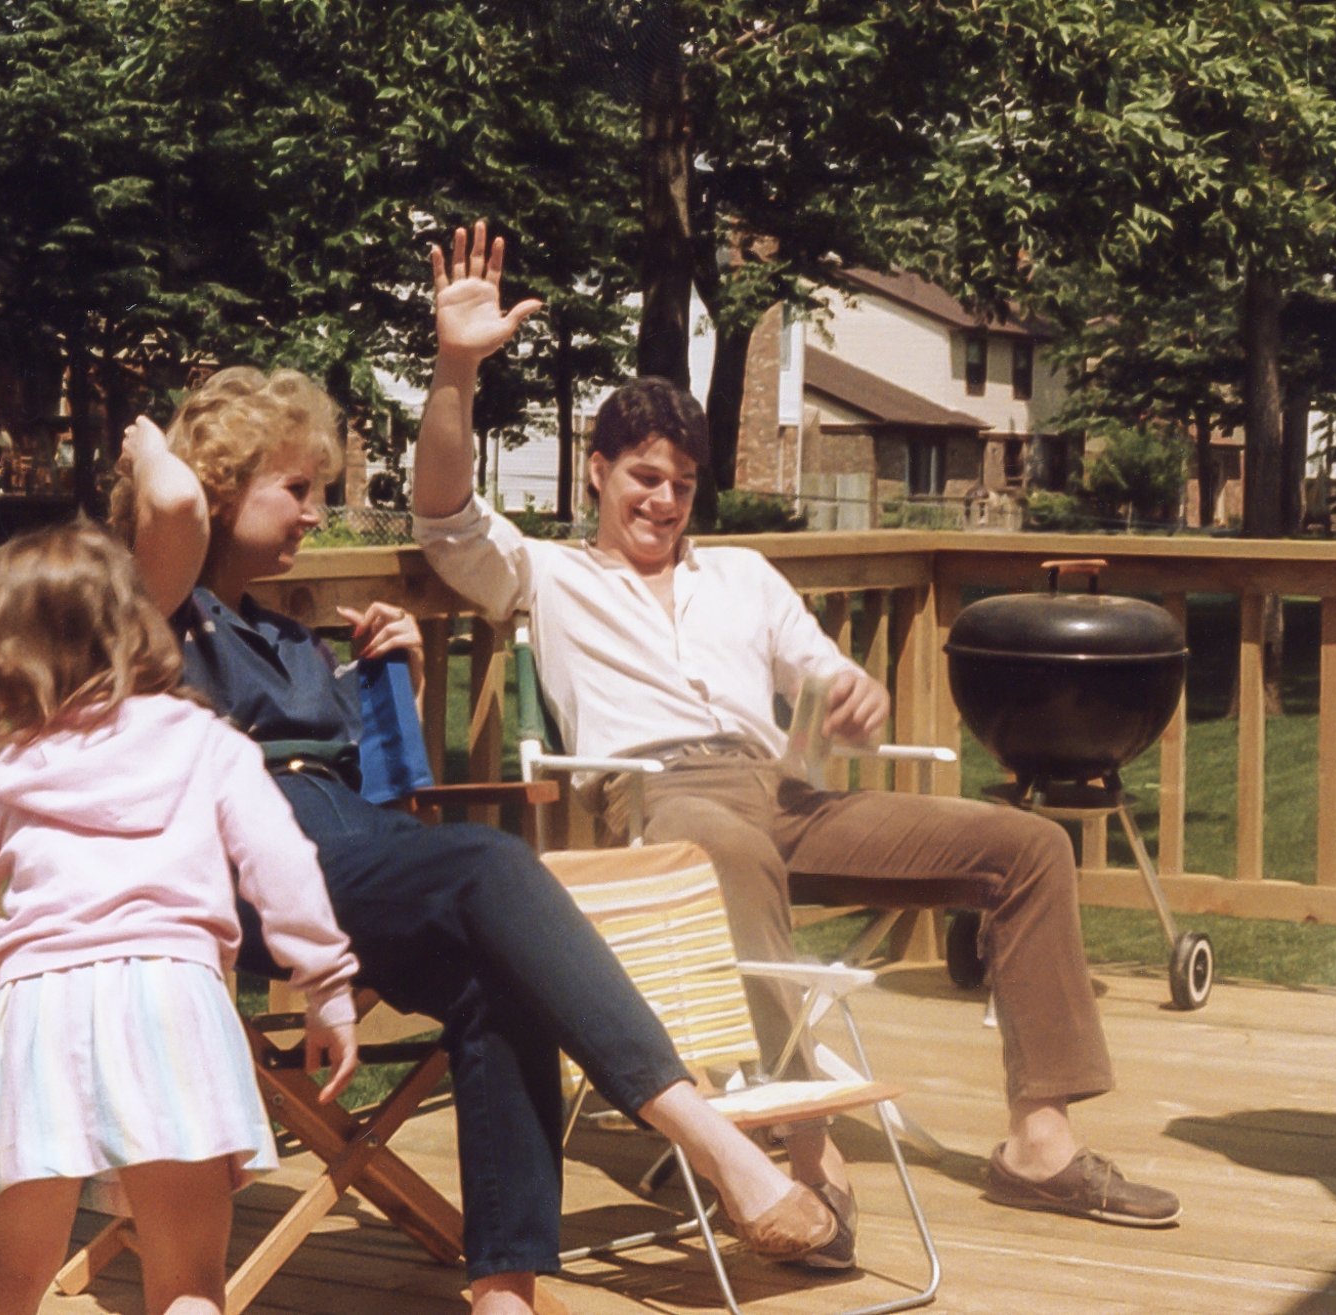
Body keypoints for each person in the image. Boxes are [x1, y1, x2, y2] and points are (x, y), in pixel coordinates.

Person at [413, 223, 1182, 1253]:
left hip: (783, 792)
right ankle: (799, 1140)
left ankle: (1037, 1138)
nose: (663, 501)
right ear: (596, 472)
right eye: (643, 477)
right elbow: (442, 511)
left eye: (681, 485)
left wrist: (846, 693)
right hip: (650, 797)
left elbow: (816, 675)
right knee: (726, 851)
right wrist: (456, 366)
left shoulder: (739, 574)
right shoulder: (546, 573)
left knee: (1027, 846)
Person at [111, 295, 836, 1315]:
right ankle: (712, 1140)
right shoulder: (157, 615)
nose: (317, 513)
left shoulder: (293, 634)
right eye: (296, 489)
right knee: (493, 863)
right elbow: (176, 507)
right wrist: (155, 440)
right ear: (226, 483)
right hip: (238, 871)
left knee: (499, 980)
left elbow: (381, 804)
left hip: (343, 857)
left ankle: (502, 1288)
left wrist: (394, 686)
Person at [0, 521, 365, 1315]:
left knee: (16, 1262)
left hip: (43, 1019)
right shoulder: (209, 746)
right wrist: (327, 985)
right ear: (138, 626)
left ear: (8, 662)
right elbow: (283, 868)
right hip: (174, 1008)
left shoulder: (4, 784)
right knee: (190, 1278)